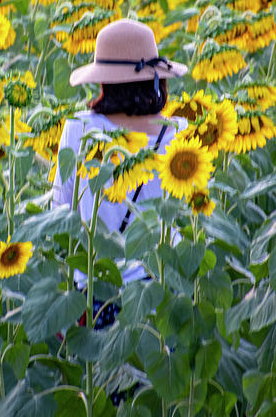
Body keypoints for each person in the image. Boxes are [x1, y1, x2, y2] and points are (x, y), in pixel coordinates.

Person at [52, 19, 187, 326]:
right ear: (157, 78)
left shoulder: (80, 129)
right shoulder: (180, 133)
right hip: (159, 291)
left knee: (96, 372)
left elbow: (60, 209)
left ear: (105, 81)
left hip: (95, 293)